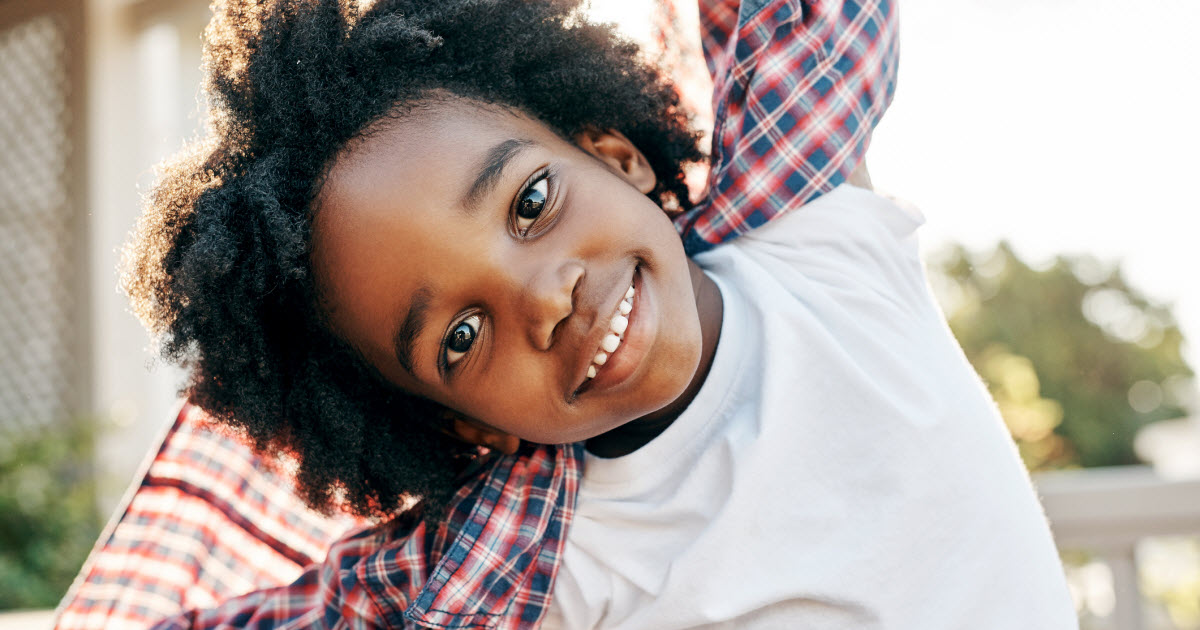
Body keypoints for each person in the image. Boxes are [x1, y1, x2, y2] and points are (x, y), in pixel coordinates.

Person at [97, 0, 1076, 627]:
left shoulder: (815, 238)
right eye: (462, 338)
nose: (542, 298)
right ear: (463, 423)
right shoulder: (533, 559)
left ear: (618, 159)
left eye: (529, 204)